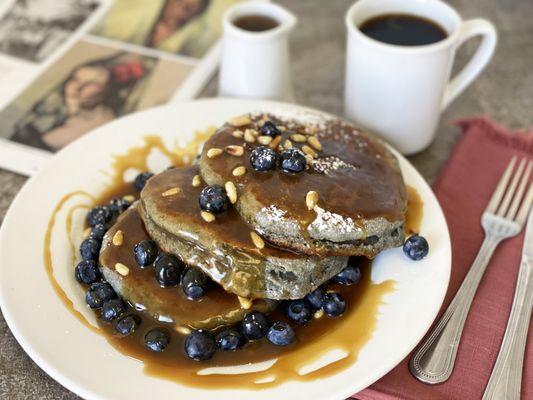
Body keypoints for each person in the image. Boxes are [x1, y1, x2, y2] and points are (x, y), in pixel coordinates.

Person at [11, 54, 154, 151]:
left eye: (91, 83)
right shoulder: (54, 108)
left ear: (109, 89)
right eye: (75, 79)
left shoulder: (101, 122)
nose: (77, 87)